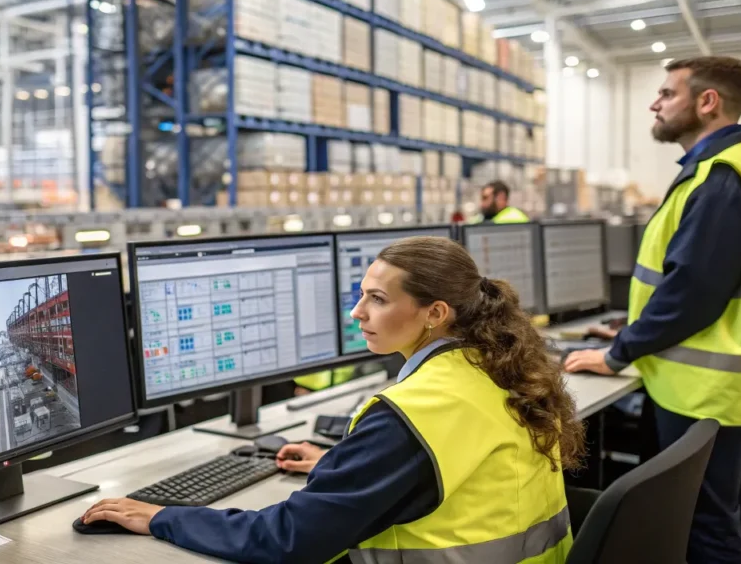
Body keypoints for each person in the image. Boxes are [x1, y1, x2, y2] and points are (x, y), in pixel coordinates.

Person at [82, 236, 585, 563]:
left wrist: (162, 515)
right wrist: (346, 465)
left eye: (378, 300)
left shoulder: (415, 413)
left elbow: (289, 540)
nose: (357, 312)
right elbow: (455, 467)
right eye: (362, 293)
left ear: (435, 314)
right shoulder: (497, 369)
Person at [564, 56, 741, 564]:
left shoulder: (724, 177)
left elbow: (692, 291)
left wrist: (617, 353)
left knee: (704, 524)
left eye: (666, 94)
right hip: (729, 380)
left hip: (700, 385)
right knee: (734, 513)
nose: (654, 103)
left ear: (707, 102)